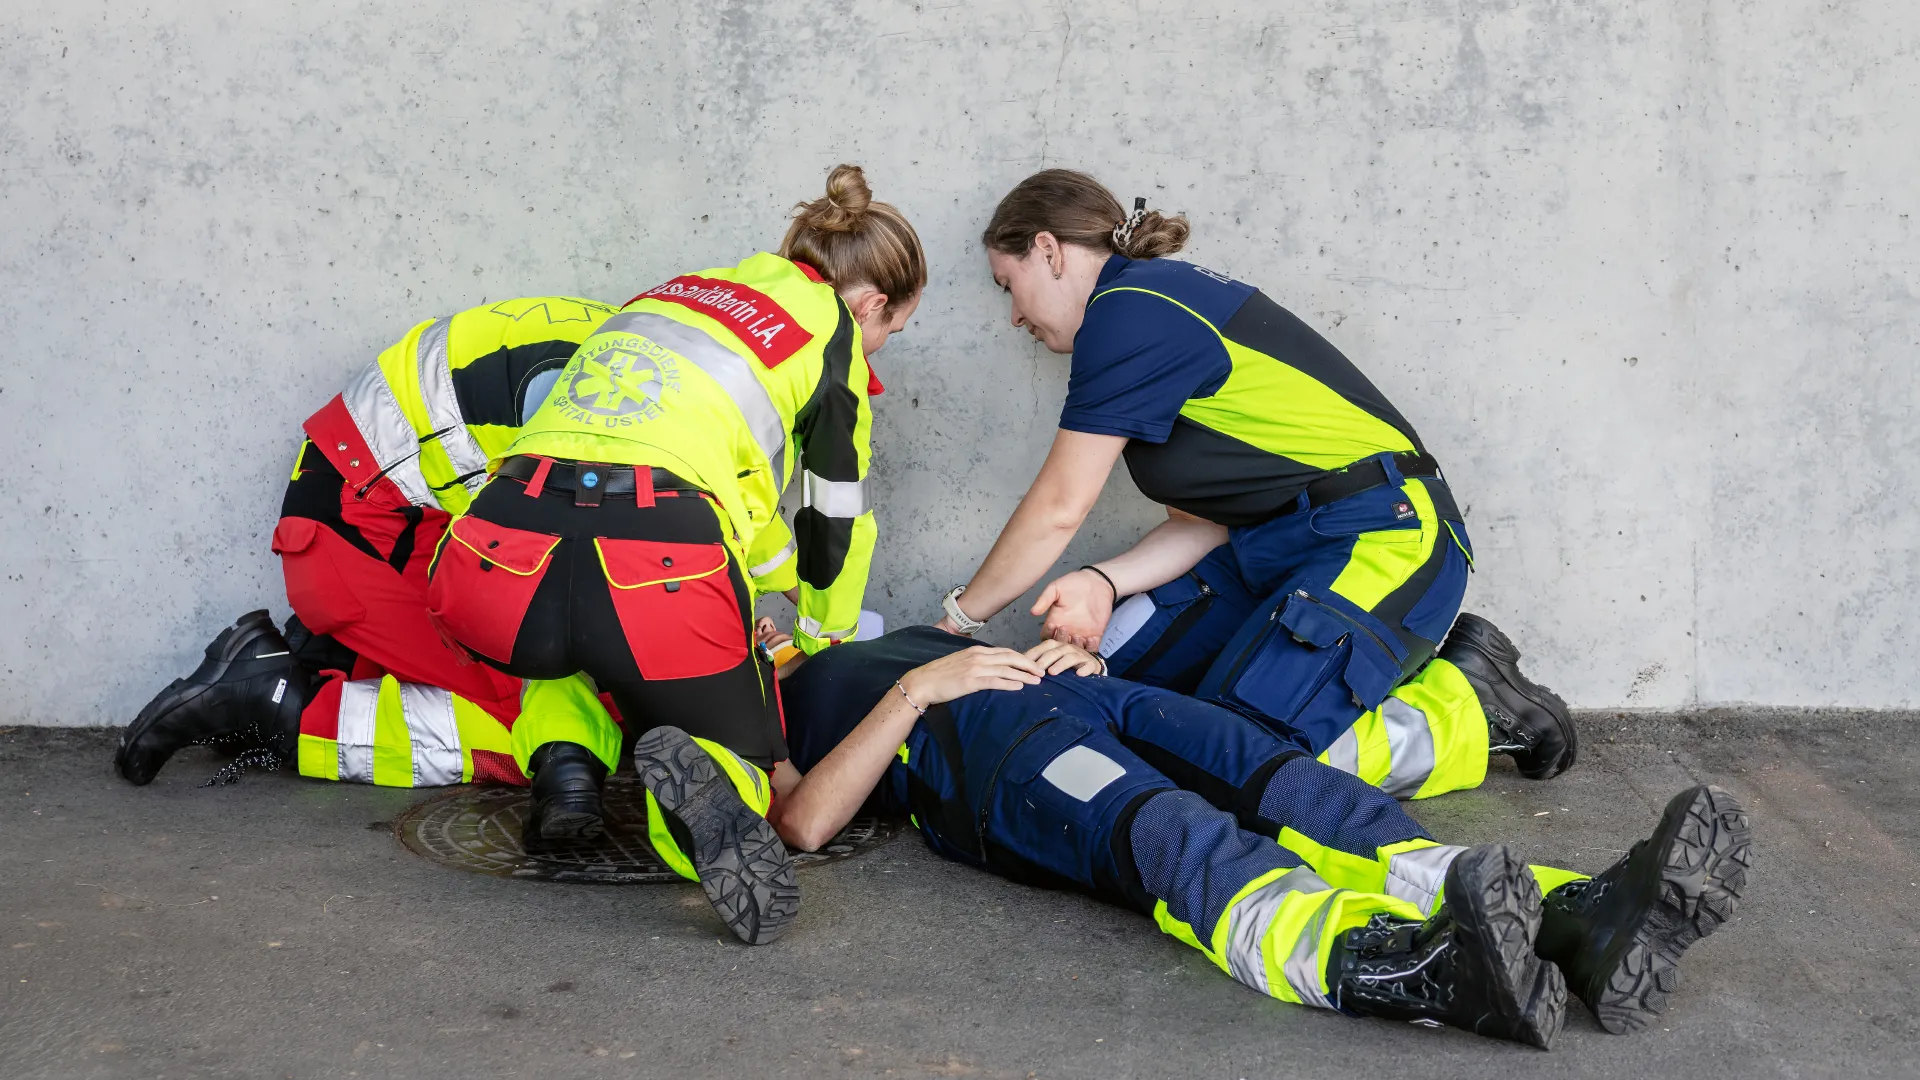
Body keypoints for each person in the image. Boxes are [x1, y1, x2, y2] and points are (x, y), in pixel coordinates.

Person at [631, 626, 1748, 1043]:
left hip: (1073, 696)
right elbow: (808, 817)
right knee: (1175, 834)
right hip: (990, 768)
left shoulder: (835, 623)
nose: (764, 620)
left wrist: (1050, 649)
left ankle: (1579, 921)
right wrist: (918, 687)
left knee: (1295, 787)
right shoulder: (759, 710)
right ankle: (1400, 966)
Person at [929, 169, 1577, 802]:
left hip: (1385, 536)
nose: (1014, 315)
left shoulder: (1131, 309)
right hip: (1264, 551)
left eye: (1007, 285)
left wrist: (957, 622)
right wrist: (1104, 583)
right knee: (1089, 698)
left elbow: (1058, 509)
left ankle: (1468, 706)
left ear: (1047, 250)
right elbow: (1200, 522)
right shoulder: (1143, 308)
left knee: (1232, 765)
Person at [427, 164, 925, 944]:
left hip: (495, 556)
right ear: (869, 304)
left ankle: (564, 762)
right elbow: (834, 509)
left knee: (575, 645)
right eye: (890, 333)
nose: (879, 351)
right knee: (724, 735)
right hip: (653, 557)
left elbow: (745, 511)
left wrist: (768, 588)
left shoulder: (675, 295)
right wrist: (821, 626)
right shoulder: (828, 328)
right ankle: (705, 820)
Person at [115, 296, 633, 790]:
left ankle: (320, 660)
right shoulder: (627, 431)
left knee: (569, 677)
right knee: (541, 721)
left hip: (374, 508)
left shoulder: (644, 354)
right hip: (364, 529)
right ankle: (278, 706)